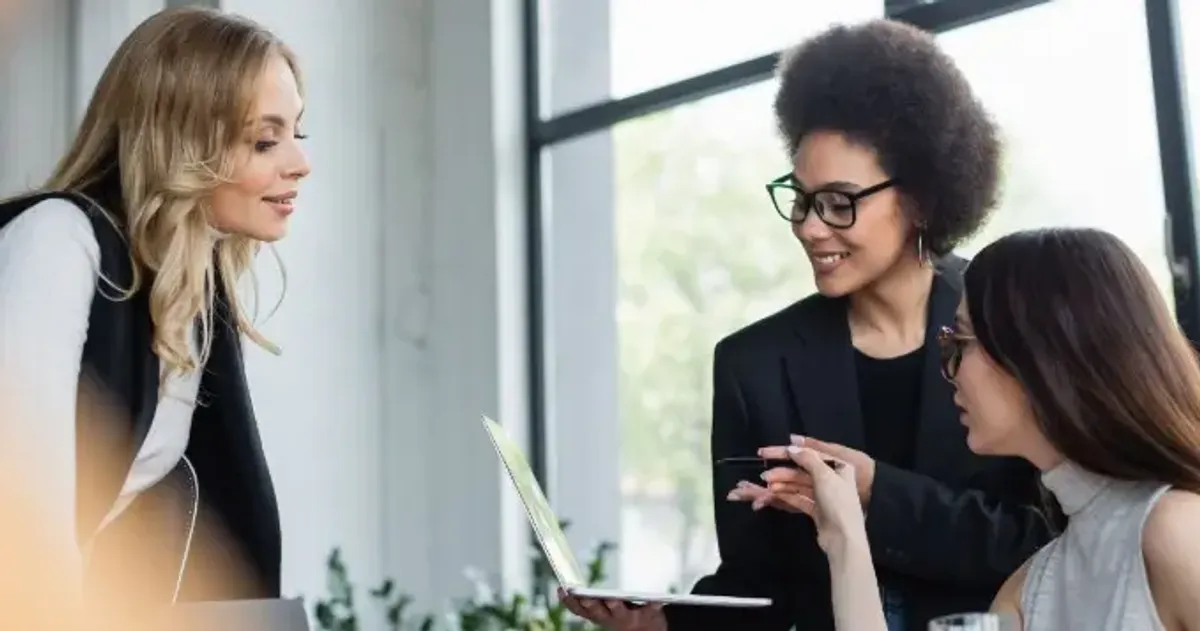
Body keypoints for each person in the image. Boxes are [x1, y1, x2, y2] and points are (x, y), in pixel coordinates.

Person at [560, 19, 1054, 631]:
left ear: (922, 197)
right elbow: (759, 580)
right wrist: (663, 624)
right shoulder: (753, 365)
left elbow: (1053, 541)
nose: (809, 226)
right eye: (800, 198)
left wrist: (876, 495)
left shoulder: (1011, 323)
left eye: (840, 201)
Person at [0, 5, 310, 608]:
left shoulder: (184, 297)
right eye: (265, 141)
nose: (300, 163)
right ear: (183, 141)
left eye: (298, 132)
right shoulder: (58, 241)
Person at [778, 227, 1200, 630]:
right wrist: (844, 536)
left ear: (1039, 355)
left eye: (959, 342)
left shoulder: (1175, 531)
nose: (950, 372)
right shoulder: (1027, 589)